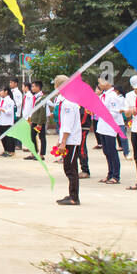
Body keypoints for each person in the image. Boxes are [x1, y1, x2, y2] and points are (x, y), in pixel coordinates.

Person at [52, 75, 82, 206]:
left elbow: (68, 125)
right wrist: (60, 140)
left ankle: (74, 197)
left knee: (71, 168)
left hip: (71, 140)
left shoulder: (69, 102)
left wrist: (63, 141)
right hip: (67, 139)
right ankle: (71, 194)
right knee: (68, 167)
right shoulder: (65, 101)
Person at [95, 78, 123, 185]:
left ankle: (116, 175)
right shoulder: (103, 95)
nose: (99, 84)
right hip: (102, 126)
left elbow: (115, 112)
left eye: (100, 82)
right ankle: (110, 173)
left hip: (110, 127)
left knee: (112, 151)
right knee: (106, 151)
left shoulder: (112, 96)